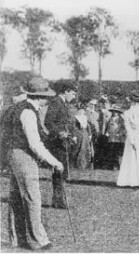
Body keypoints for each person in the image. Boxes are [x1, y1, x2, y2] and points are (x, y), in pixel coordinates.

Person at [8, 77, 64, 250]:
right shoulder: (29, 112)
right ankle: (37, 240)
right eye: (47, 96)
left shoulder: (20, 108)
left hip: (14, 154)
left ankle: (17, 238)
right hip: (23, 155)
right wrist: (54, 162)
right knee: (33, 197)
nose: (48, 99)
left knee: (17, 197)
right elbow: (34, 143)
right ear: (40, 97)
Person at [44, 80, 76, 209]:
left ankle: (58, 199)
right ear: (66, 92)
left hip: (62, 141)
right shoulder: (56, 102)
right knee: (59, 170)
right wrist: (60, 133)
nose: (73, 97)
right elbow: (48, 122)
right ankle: (58, 200)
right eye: (73, 94)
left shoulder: (62, 103)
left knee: (62, 171)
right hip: (57, 143)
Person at [0, 90, 27, 174]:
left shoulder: (21, 108)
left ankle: (7, 168)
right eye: (14, 97)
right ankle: (4, 167)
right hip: (6, 132)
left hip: (12, 133)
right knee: (4, 149)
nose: (14, 98)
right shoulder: (8, 108)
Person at [70, 104, 94, 169]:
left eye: (82, 111)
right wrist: (74, 135)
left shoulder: (86, 118)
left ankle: (84, 165)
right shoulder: (75, 118)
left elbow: (88, 127)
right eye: (80, 111)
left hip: (85, 134)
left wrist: (90, 134)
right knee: (77, 148)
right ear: (78, 111)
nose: (81, 112)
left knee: (86, 149)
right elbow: (73, 127)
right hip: (78, 134)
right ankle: (75, 164)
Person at [104, 105, 126, 170]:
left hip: (117, 139)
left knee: (116, 152)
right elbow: (107, 127)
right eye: (113, 112)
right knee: (110, 152)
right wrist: (106, 132)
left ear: (118, 113)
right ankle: (110, 166)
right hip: (110, 138)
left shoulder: (121, 120)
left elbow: (124, 129)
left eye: (116, 112)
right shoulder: (110, 119)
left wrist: (119, 134)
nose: (114, 113)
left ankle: (117, 166)